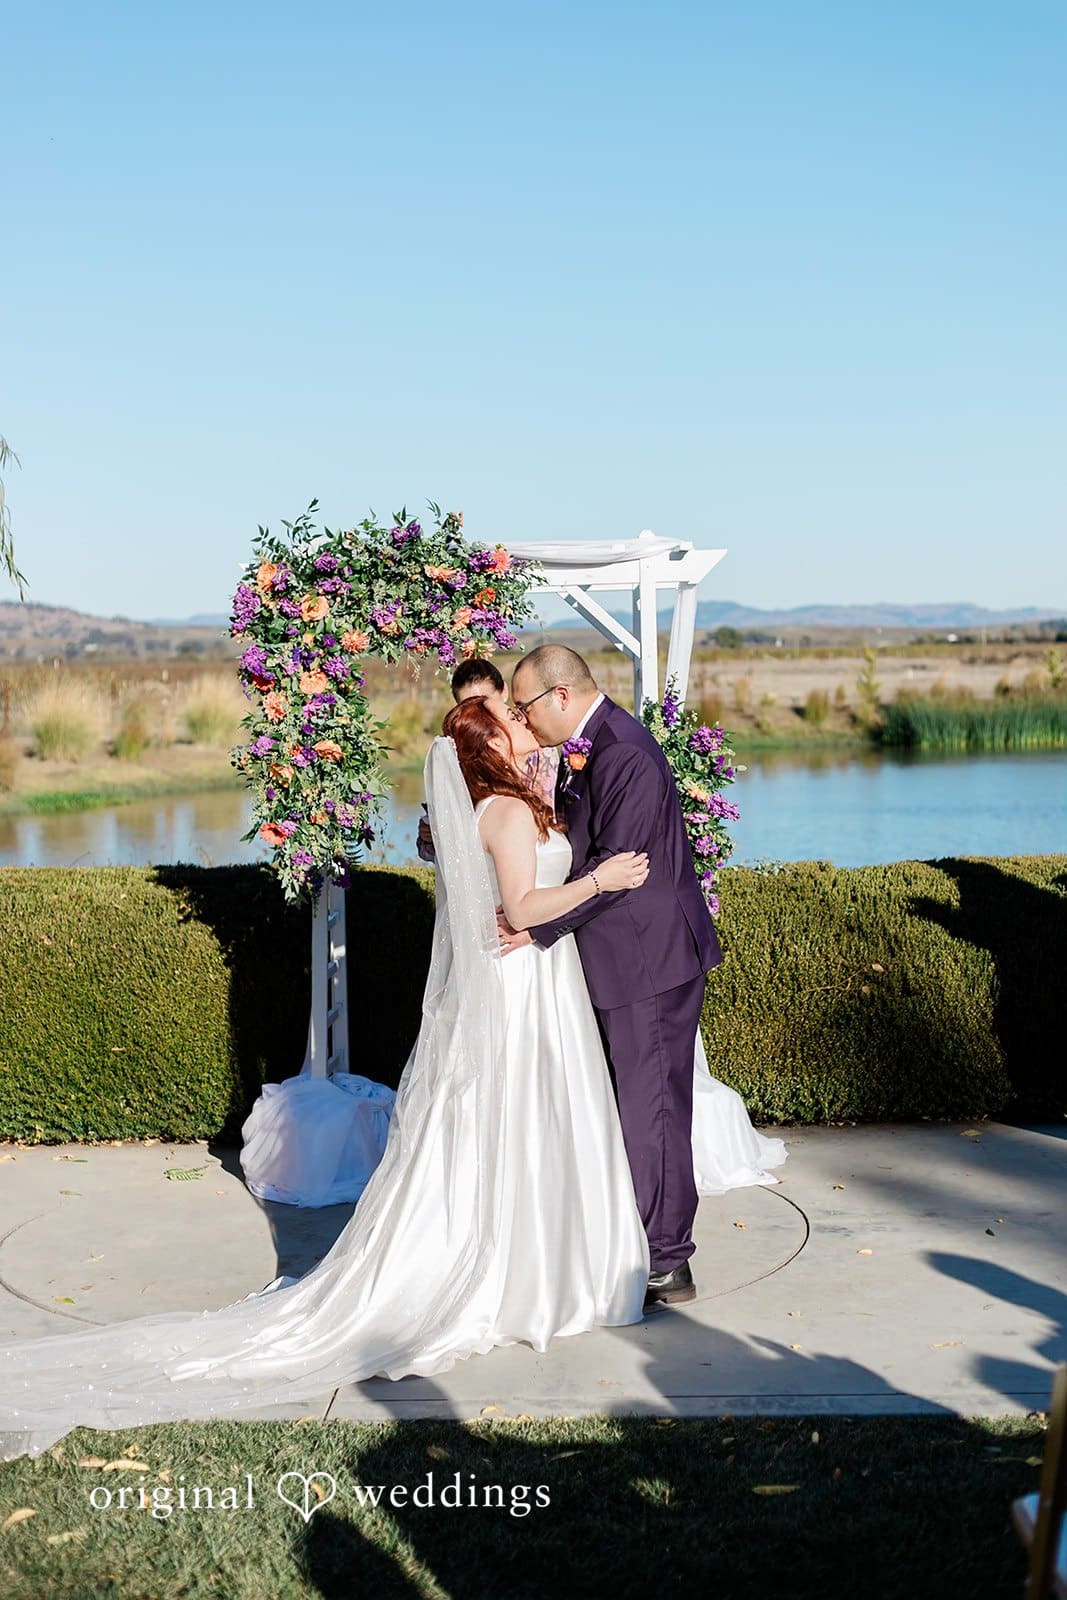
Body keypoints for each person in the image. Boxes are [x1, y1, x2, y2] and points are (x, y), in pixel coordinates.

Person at [0, 701, 652, 1462]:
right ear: (490, 749)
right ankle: (534, 1276)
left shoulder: (504, 802)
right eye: (509, 719)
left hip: (537, 978)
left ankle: (544, 1265)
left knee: (529, 1120)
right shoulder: (503, 811)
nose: (519, 719)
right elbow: (524, 906)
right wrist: (601, 878)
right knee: (527, 1117)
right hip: (525, 988)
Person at [506, 645, 722, 1309]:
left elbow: (620, 866)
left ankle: (666, 1261)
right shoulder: (591, 745)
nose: (522, 716)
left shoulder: (621, 749)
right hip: (625, 955)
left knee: (651, 1108)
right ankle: (644, 1241)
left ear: (560, 695)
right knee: (637, 1105)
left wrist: (535, 927)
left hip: (647, 957)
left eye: (524, 704)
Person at [417, 660, 556, 862]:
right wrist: (432, 836)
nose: (478, 711)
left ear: (504, 692)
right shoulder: (458, 755)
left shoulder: (535, 747)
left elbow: (548, 823)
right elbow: (435, 853)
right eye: (467, 705)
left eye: (484, 700)